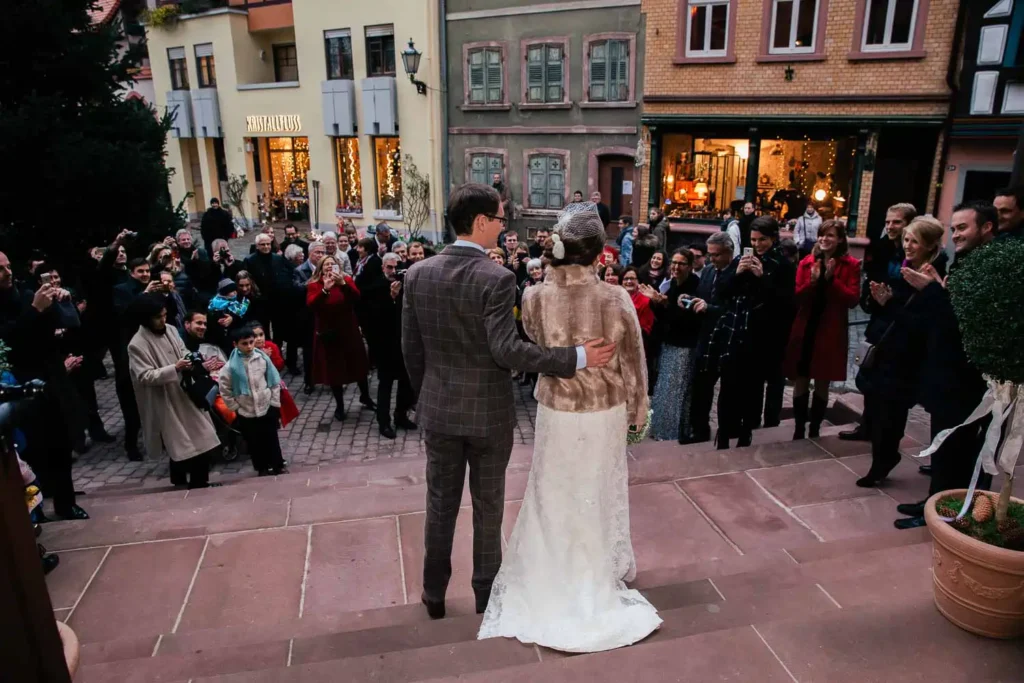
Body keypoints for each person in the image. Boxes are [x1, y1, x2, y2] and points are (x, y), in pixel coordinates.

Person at [402, 186, 615, 621]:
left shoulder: (417, 274)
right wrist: (576, 356)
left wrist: (432, 396)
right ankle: (486, 596)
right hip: (488, 415)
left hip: (439, 411)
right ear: (480, 222)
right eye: (500, 219)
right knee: (488, 506)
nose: (505, 227)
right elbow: (508, 351)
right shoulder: (496, 279)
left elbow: (411, 351)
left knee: (439, 504)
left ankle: (433, 593)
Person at [478, 204, 660, 652]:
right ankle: (593, 571)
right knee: (596, 489)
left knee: (554, 490)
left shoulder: (534, 296)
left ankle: (552, 571)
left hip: (557, 409)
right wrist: (639, 412)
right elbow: (634, 361)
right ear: (599, 253)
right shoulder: (615, 298)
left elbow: (537, 348)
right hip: (603, 410)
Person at [893, 201, 996, 529]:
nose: (956, 235)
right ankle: (934, 501)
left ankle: (947, 512)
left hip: (964, 377)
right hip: (944, 370)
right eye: (953, 229)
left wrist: (933, 292)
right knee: (944, 442)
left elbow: (963, 320)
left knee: (957, 447)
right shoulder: (966, 263)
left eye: (962, 228)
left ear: (986, 228)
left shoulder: (988, 267)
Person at [855, 216, 947, 487]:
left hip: (907, 359)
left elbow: (921, 324)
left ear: (929, 245)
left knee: (891, 415)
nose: (907, 245)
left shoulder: (932, 275)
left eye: (914, 241)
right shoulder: (902, 265)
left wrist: (891, 303)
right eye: (906, 239)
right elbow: (892, 309)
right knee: (879, 408)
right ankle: (882, 458)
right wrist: (880, 301)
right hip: (886, 349)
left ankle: (883, 462)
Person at [0, 253, 89, 519]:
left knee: (61, 442)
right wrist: (35, 310)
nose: (7, 272)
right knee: (31, 449)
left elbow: (67, 324)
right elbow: (10, 344)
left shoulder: (27, 293)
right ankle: (34, 511)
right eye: (0, 269)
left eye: (7, 265)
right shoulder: (27, 303)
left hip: (50, 376)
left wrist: (62, 302)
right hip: (17, 383)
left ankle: (66, 502)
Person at [127, 294, 221, 488]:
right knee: (183, 443)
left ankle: (194, 480)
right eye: (158, 317)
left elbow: (182, 349)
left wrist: (192, 360)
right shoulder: (137, 344)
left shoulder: (170, 329)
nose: (163, 320)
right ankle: (194, 482)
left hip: (185, 392)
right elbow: (144, 376)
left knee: (200, 436)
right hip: (166, 399)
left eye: (164, 315)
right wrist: (175, 368)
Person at [841, 202, 916, 442]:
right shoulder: (882, 248)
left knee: (891, 385)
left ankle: (886, 437)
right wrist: (870, 299)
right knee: (867, 373)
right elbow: (870, 279)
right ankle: (867, 426)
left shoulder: (915, 252)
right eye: (888, 221)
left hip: (901, 325)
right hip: (879, 319)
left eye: (897, 222)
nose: (891, 226)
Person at [781, 219, 858, 438]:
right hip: (806, 327)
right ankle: (798, 428)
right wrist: (814, 282)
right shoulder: (806, 262)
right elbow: (797, 296)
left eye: (830, 235)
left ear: (840, 239)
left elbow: (852, 299)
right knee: (801, 379)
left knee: (822, 380)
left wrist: (831, 279)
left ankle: (814, 428)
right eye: (822, 235)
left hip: (830, 330)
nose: (824, 239)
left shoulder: (851, 264)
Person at [745, 217, 796, 431]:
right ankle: (752, 420)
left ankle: (771, 422)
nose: (757, 245)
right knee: (753, 379)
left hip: (775, 330)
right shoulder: (749, 259)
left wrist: (762, 278)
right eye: (754, 240)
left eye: (762, 240)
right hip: (753, 327)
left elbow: (786, 300)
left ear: (773, 238)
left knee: (774, 379)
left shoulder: (784, 265)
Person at [643, 248, 700, 442]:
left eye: (681, 263)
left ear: (690, 266)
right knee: (664, 387)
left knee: (677, 389)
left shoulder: (695, 286)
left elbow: (687, 320)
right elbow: (664, 319)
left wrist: (665, 304)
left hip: (684, 345)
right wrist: (657, 303)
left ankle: (673, 432)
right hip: (669, 343)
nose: (675, 267)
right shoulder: (672, 284)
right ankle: (661, 429)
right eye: (674, 263)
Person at [306, 255, 371, 421]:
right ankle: (340, 406)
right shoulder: (315, 284)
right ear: (320, 268)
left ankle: (366, 396)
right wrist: (325, 290)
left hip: (348, 329)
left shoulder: (346, 279)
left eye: (332, 264)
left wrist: (343, 285)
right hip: (329, 332)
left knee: (358, 364)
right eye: (326, 265)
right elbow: (312, 305)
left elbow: (356, 297)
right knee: (334, 370)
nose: (329, 267)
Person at [688, 232, 737, 444]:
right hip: (706, 339)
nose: (711, 259)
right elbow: (702, 296)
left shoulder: (738, 273)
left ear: (729, 253)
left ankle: (727, 432)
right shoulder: (707, 271)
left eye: (716, 255)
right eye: (710, 254)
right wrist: (690, 301)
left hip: (727, 342)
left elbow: (733, 308)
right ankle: (699, 431)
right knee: (701, 389)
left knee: (728, 393)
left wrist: (710, 308)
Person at [113, 257, 164, 460]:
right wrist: (144, 295)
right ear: (132, 272)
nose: (145, 275)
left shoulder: (155, 288)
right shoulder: (121, 290)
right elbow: (124, 314)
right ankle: (131, 445)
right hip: (129, 351)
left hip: (152, 347)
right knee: (131, 404)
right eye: (140, 271)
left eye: (147, 271)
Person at [219, 325, 287, 476]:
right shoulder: (230, 367)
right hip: (246, 410)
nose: (249, 346)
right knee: (254, 441)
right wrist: (236, 406)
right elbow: (225, 390)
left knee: (271, 437)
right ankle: (262, 467)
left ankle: (278, 464)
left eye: (251, 342)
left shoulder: (262, 358)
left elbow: (274, 380)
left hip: (266, 404)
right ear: (235, 344)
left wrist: (274, 402)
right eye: (244, 343)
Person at [363, 253, 417, 439]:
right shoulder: (376, 286)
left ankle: (401, 415)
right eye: (389, 268)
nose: (393, 271)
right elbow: (373, 317)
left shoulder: (406, 284)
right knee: (385, 385)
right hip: (384, 345)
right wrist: (391, 298)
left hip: (403, 343)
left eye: (396, 267)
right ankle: (383, 422)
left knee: (406, 383)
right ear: (383, 267)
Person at [621, 266, 657, 394]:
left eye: (632, 279)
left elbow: (646, 328)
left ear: (638, 281)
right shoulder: (618, 298)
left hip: (637, 347)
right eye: (626, 279)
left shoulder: (645, 300)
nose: (629, 282)